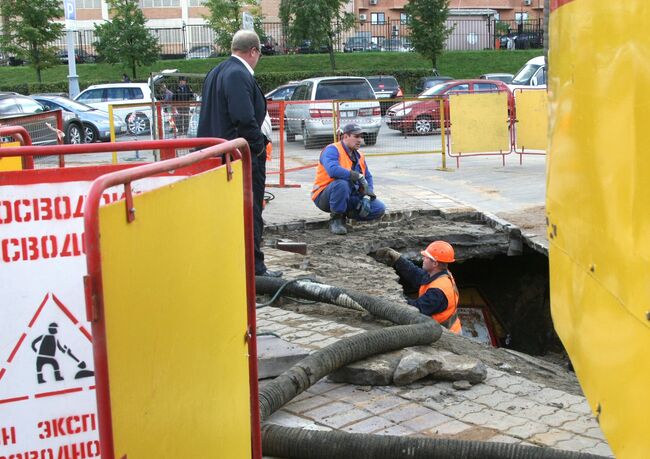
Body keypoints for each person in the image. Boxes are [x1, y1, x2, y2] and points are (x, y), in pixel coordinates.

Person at [197, 29, 281, 278]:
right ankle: (254, 268)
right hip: (237, 157)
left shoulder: (216, 72)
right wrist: (255, 148)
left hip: (216, 155)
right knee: (250, 209)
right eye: (259, 54)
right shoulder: (238, 74)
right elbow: (244, 118)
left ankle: (230, 264)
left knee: (227, 212)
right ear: (253, 51)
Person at [311, 123, 385, 235]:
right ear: (345, 136)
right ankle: (336, 219)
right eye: (356, 136)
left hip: (349, 194)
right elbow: (333, 170)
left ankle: (347, 212)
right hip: (324, 196)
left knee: (379, 208)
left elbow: (368, 177)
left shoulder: (359, 155)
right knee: (342, 183)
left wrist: (367, 196)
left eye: (361, 137)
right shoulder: (332, 150)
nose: (360, 140)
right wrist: (356, 175)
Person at [375, 241, 462, 334]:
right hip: (443, 326)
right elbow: (416, 274)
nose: (423, 258)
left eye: (426, 257)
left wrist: (397, 298)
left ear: (435, 264)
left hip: (446, 333)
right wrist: (398, 259)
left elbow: (416, 309)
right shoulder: (438, 274)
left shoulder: (437, 292)